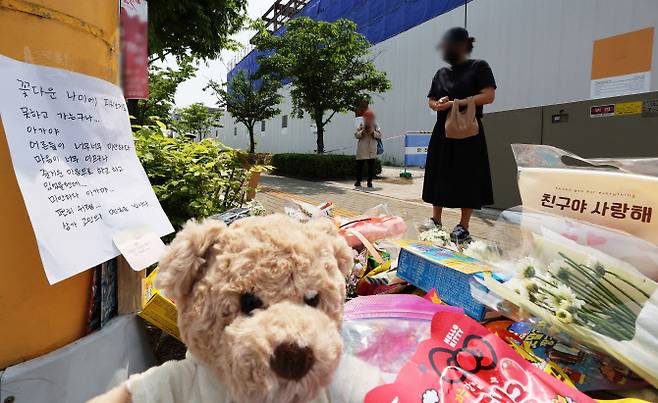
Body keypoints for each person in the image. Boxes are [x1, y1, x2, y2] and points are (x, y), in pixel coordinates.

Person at [422, 27, 497, 243]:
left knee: (469, 176)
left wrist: (459, 104)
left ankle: (463, 226)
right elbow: (431, 99)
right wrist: (438, 105)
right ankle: (436, 219)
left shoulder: (479, 67)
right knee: (439, 173)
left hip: (468, 130)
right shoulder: (441, 73)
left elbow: (489, 96)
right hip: (443, 130)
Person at [354, 109, 382, 188]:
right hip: (362, 149)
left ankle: (369, 182)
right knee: (359, 166)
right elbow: (356, 135)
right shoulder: (361, 124)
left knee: (371, 167)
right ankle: (358, 181)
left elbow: (379, 135)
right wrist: (362, 132)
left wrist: (373, 132)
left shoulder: (375, 125)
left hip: (371, 148)